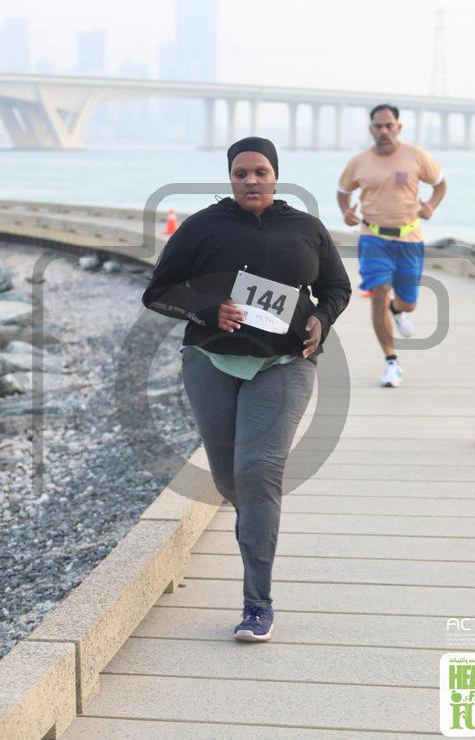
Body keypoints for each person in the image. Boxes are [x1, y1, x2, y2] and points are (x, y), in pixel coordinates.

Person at [142, 137, 351, 642]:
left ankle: (258, 604)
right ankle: (254, 517)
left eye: (260, 172)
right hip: (210, 362)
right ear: (230, 177)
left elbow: (336, 288)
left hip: (285, 363)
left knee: (257, 471)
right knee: (229, 478)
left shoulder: (305, 227)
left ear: (275, 174)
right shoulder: (201, 227)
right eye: (241, 173)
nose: (251, 181)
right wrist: (207, 309)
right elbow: (159, 292)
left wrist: (322, 318)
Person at [336, 104, 447, 387]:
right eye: (378, 126)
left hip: (409, 238)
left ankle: (397, 311)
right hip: (373, 237)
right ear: (371, 129)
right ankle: (391, 361)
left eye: (389, 125)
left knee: (409, 303)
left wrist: (431, 206)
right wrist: (346, 212)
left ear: (398, 127)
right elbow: (342, 192)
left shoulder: (416, 156)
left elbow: (440, 184)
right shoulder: (359, 162)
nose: (383, 130)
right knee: (379, 292)